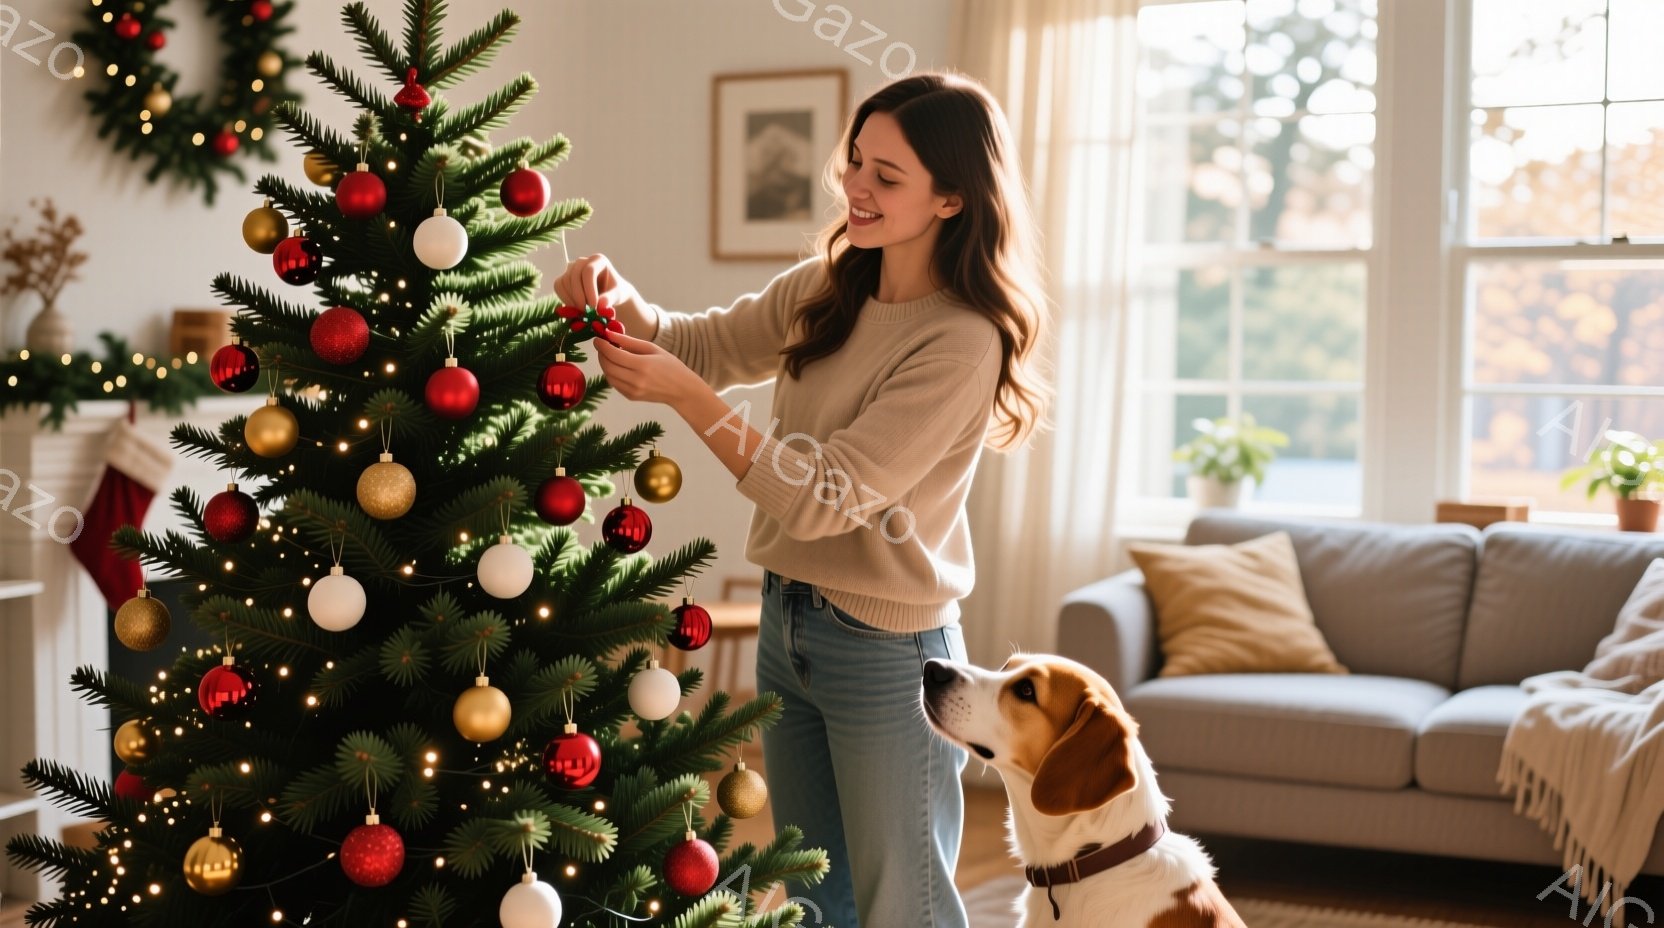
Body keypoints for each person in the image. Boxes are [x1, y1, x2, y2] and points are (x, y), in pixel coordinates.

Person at [555, 71, 1050, 928]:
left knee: (909, 906)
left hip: (891, 652)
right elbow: (697, 345)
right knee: (818, 894)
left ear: (951, 199)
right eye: (856, 162)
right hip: (791, 628)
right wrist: (619, 299)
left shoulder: (962, 342)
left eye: (887, 177)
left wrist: (686, 398)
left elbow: (827, 495)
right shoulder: (831, 285)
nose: (856, 187)